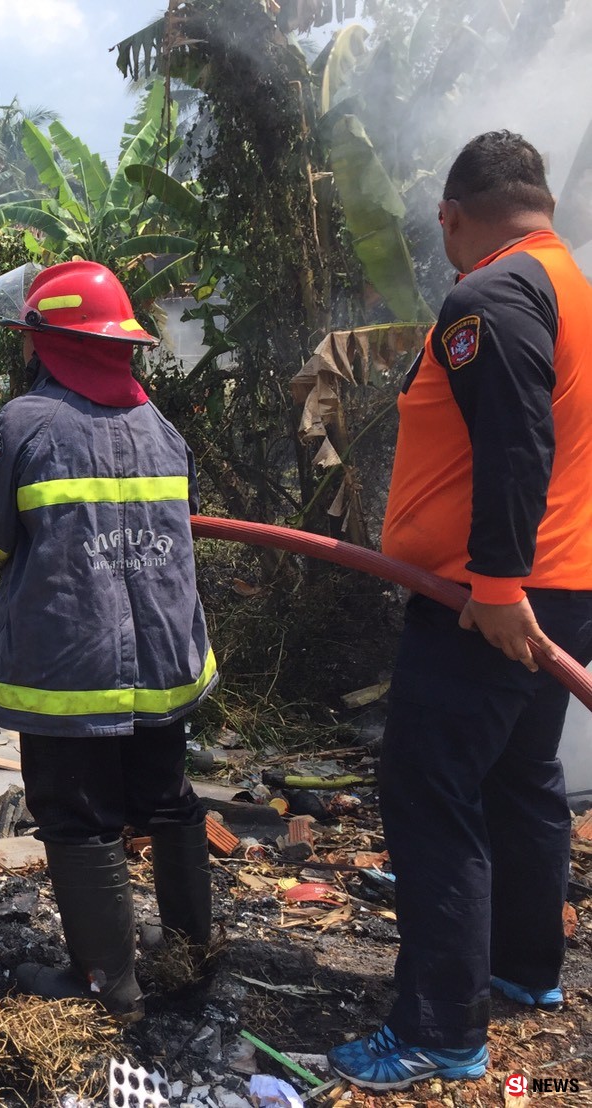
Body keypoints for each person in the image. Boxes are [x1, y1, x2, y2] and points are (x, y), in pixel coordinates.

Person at [329, 131, 592, 1091]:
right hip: (558, 590)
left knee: (428, 788)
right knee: (522, 779)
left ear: (451, 214)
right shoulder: (572, 290)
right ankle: (523, 971)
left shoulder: (492, 295)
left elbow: (516, 441)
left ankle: (441, 1029)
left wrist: (494, 585)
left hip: (492, 604)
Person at [0, 260, 218, 1019]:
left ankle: (112, 986)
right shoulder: (161, 428)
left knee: (80, 817)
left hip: (70, 672)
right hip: (165, 666)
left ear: (49, 343)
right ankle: (193, 958)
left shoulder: (23, 426)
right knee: (166, 801)